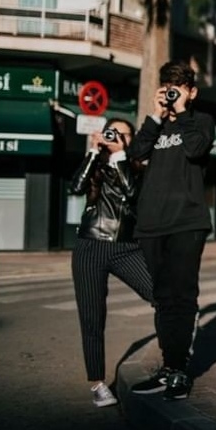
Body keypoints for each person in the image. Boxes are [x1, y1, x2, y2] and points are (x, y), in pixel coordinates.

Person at [128, 60, 215, 401]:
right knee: (162, 299)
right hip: (151, 223)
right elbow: (135, 153)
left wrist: (181, 111)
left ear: (192, 92)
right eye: (168, 87)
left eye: (180, 88)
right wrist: (154, 116)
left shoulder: (202, 121)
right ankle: (168, 366)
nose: (172, 93)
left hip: (187, 222)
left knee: (181, 295)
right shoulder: (155, 125)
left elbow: (195, 149)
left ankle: (179, 369)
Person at [69, 118, 153, 408]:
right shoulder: (96, 165)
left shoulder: (138, 169)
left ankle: (175, 352)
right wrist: (93, 152)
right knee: (92, 317)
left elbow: (132, 193)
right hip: (90, 246)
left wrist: (119, 156)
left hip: (126, 248)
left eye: (123, 134)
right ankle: (97, 384)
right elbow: (76, 186)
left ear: (130, 140)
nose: (116, 137)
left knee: (160, 294)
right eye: (112, 132)